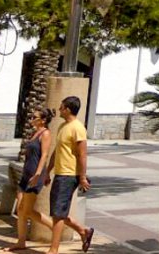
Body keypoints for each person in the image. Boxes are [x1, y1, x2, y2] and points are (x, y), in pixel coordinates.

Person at [3, 107, 55, 252]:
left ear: (43, 120)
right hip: (26, 173)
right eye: (32, 117)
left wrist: (38, 174)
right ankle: (21, 242)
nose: (31, 119)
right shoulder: (35, 133)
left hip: (34, 174)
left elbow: (45, 155)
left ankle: (54, 227)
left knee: (26, 210)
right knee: (21, 210)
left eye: (35, 117)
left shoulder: (45, 134)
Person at [48, 96, 95, 254]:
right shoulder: (63, 126)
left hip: (69, 174)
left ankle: (53, 249)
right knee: (58, 212)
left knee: (58, 214)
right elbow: (57, 150)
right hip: (59, 173)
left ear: (67, 109)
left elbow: (82, 154)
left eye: (61, 107)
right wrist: (48, 171)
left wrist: (82, 177)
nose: (59, 110)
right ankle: (83, 231)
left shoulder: (77, 128)